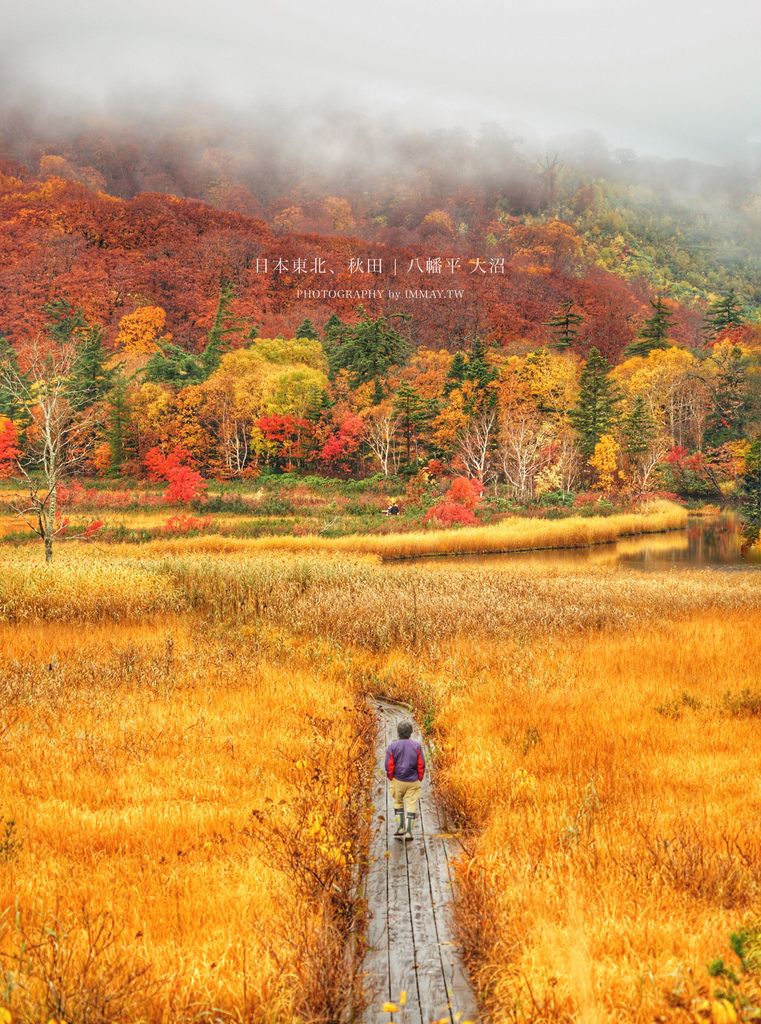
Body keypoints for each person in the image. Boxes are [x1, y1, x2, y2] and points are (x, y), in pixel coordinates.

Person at [385, 720, 425, 840]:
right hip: (413, 780)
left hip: (397, 780)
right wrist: (419, 778)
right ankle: (408, 832)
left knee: (398, 802)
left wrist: (391, 777)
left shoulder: (392, 746)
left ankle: (400, 827)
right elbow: (421, 764)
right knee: (411, 804)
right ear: (410, 732)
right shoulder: (416, 746)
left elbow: (389, 765)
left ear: (398, 732)